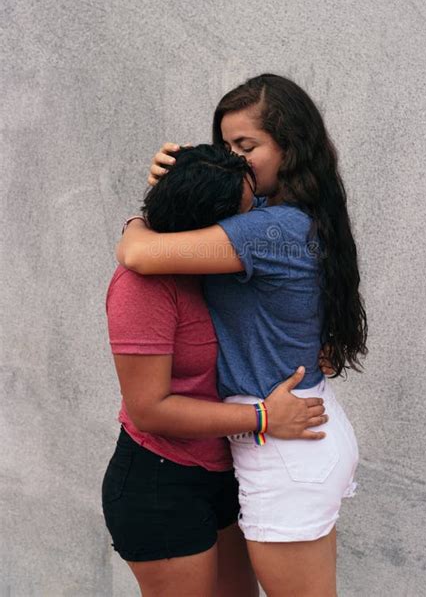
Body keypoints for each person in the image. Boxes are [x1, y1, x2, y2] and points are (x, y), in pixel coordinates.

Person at [118, 73, 368, 597]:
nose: (234, 158)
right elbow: (206, 203)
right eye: (224, 145)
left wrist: (137, 218)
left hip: (284, 445)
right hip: (301, 432)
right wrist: (179, 180)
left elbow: (140, 255)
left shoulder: (266, 230)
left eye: (246, 146)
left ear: (290, 148)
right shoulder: (295, 217)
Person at [102, 144, 330, 597]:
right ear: (209, 220)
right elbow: (149, 409)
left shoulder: (202, 261)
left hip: (222, 470)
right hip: (160, 485)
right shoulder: (141, 288)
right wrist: (263, 418)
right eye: (244, 215)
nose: (253, 221)